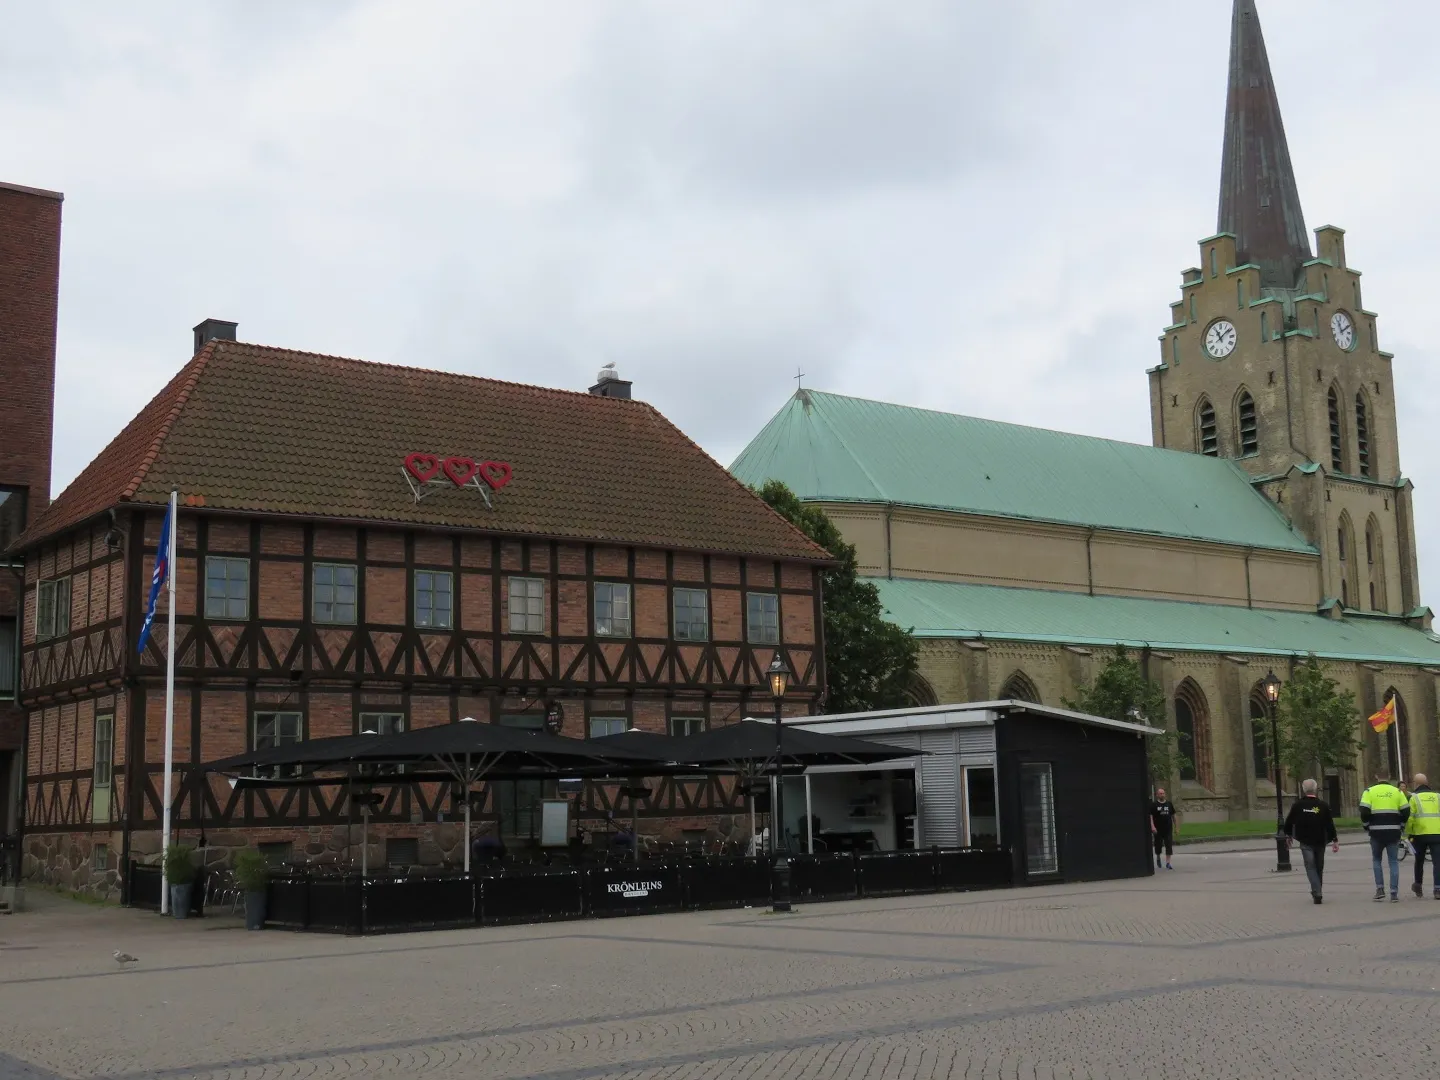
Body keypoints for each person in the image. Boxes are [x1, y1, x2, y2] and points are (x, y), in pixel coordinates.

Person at [1284, 778, 1340, 904]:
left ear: (1303, 790)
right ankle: (1317, 891)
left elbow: (1289, 821)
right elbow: (1329, 824)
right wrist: (1335, 840)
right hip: (1320, 841)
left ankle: (1317, 891)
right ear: (1315, 789)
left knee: (1310, 867)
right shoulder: (1323, 805)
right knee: (1319, 867)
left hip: (1305, 841)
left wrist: (1288, 835)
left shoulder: (1298, 805)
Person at [1360, 768, 1410, 901]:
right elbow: (1406, 811)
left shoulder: (1369, 791)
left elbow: (1364, 811)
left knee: (1377, 860)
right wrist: (1402, 825)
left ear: (1376, 776)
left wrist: (1366, 826)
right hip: (1393, 831)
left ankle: (1380, 889)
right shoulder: (1397, 791)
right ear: (1389, 777)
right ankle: (1394, 893)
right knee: (1393, 861)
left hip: (1376, 832)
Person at [1406, 772, 1440, 899]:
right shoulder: (1438, 796)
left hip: (1419, 834)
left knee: (1419, 861)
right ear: (1427, 783)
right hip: (1437, 834)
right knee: (1438, 862)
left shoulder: (1414, 798)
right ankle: (1438, 889)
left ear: (1416, 784)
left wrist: (1408, 833)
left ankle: (1418, 885)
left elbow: (1410, 818)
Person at [1149, 787, 1177, 870]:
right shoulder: (1154, 805)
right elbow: (1150, 816)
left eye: (1163, 793)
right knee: (1158, 845)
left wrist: (1176, 827)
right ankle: (1158, 857)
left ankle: (1168, 863)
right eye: (1160, 793)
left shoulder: (1169, 804)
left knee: (1169, 845)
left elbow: (1173, 815)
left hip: (1168, 828)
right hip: (1158, 829)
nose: (1162, 795)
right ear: (1157, 795)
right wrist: (1152, 826)